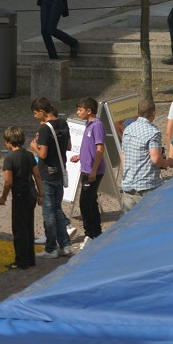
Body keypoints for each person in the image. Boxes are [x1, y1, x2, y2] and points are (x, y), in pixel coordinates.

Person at [29, 97, 72, 259]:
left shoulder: (45, 130)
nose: (34, 116)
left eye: (35, 113)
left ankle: (51, 248)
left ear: (42, 112)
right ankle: (65, 245)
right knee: (57, 208)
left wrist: (34, 147)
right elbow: (68, 146)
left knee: (48, 212)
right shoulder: (63, 123)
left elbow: (43, 154)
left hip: (47, 173)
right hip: (60, 171)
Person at [0, 126, 43, 271]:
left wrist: (3, 197)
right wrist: (41, 194)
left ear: (9, 142)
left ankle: (21, 261)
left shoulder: (9, 158)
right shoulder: (29, 155)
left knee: (19, 230)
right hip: (31, 194)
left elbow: (8, 182)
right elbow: (37, 175)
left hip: (20, 196)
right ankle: (30, 258)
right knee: (28, 226)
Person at [121, 99, 173, 212]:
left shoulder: (128, 129)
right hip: (147, 186)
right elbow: (155, 159)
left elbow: (124, 156)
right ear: (153, 113)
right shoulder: (153, 132)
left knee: (129, 224)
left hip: (128, 185)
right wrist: (166, 163)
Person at [69, 97, 105, 247]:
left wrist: (94, 171)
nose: (78, 112)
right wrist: (80, 156)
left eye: (80, 110)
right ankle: (96, 233)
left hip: (92, 172)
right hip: (86, 169)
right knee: (91, 202)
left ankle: (89, 234)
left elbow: (100, 149)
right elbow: (89, 147)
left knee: (85, 203)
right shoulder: (88, 125)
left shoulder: (97, 126)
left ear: (89, 111)